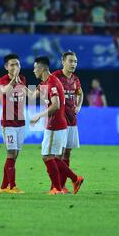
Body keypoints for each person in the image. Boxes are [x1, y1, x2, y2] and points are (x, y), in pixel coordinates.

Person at [30, 56, 84, 195]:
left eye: (35, 68)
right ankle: (64, 184)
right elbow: (31, 95)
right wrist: (16, 82)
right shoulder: (50, 80)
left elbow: (56, 105)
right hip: (58, 123)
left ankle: (59, 187)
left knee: (47, 156)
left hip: (55, 123)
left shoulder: (53, 82)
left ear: (41, 69)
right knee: (52, 156)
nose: (33, 71)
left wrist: (38, 116)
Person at [51, 50, 83, 192]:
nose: (73, 64)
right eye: (70, 61)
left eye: (75, 61)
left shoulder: (75, 79)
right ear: (63, 61)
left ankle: (62, 186)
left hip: (72, 120)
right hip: (59, 121)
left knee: (67, 153)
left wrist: (79, 106)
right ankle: (55, 186)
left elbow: (80, 94)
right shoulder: (55, 77)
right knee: (58, 154)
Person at [0, 54, 27, 194]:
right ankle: (12, 186)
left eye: (17, 64)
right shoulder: (2, 80)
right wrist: (14, 79)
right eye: (12, 65)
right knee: (11, 153)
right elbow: (5, 92)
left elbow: (27, 96)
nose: (15, 67)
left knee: (15, 155)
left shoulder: (23, 80)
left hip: (21, 123)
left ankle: (3, 187)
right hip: (8, 123)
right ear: (6, 67)